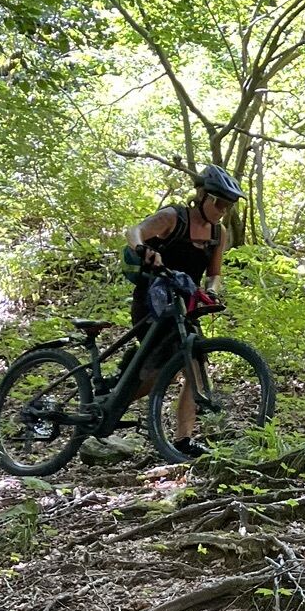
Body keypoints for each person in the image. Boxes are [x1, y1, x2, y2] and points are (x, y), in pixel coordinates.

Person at [121, 164, 242, 441]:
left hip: (183, 307)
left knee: (196, 366)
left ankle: (183, 439)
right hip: (152, 303)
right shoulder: (173, 218)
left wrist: (211, 291)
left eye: (228, 206)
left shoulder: (218, 233)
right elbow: (134, 231)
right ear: (201, 196)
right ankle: (115, 396)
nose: (222, 211)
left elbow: (214, 274)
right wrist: (142, 248)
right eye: (219, 203)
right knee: (164, 371)